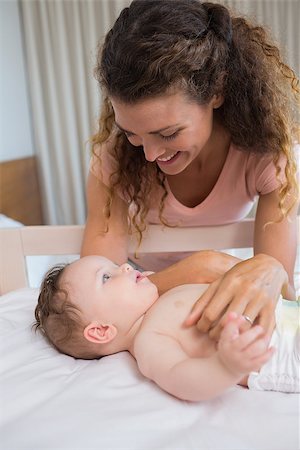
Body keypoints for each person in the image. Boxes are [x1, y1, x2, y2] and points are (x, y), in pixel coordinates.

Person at [81, 0, 299, 340]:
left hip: (218, 283)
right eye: (132, 133)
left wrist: (266, 272)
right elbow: (98, 303)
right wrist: (191, 272)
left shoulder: (265, 155)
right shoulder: (116, 160)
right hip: (139, 292)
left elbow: (275, 285)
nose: (150, 155)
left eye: (168, 133)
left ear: (216, 92)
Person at [34, 256, 299, 401]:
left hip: (286, 312)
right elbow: (182, 378)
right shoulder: (149, 341)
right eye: (106, 277)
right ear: (101, 330)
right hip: (282, 349)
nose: (124, 266)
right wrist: (225, 366)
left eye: (114, 266)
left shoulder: (160, 300)